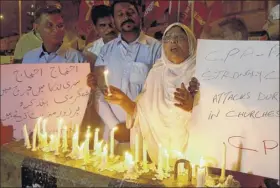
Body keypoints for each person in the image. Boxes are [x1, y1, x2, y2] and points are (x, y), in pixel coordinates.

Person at [104, 23, 200, 163]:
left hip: (193, 155)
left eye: (179, 37)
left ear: (191, 43)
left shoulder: (201, 72)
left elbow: (213, 115)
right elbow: (142, 115)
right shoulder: (156, 72)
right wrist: (123, 101)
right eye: (167, 38)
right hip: (159, 156)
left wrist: (192, 106)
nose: (173, 41)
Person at [87, 0, 161, 142]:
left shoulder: (156, 49)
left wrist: (138, 122)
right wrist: (114, 125)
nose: (126, 17)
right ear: (114, 21)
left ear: (139, 15)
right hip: (112, 133)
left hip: (146, 131)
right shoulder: (106, 50)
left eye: (130, 12)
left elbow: (159, 93)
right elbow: (98, 92)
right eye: (120, 14)